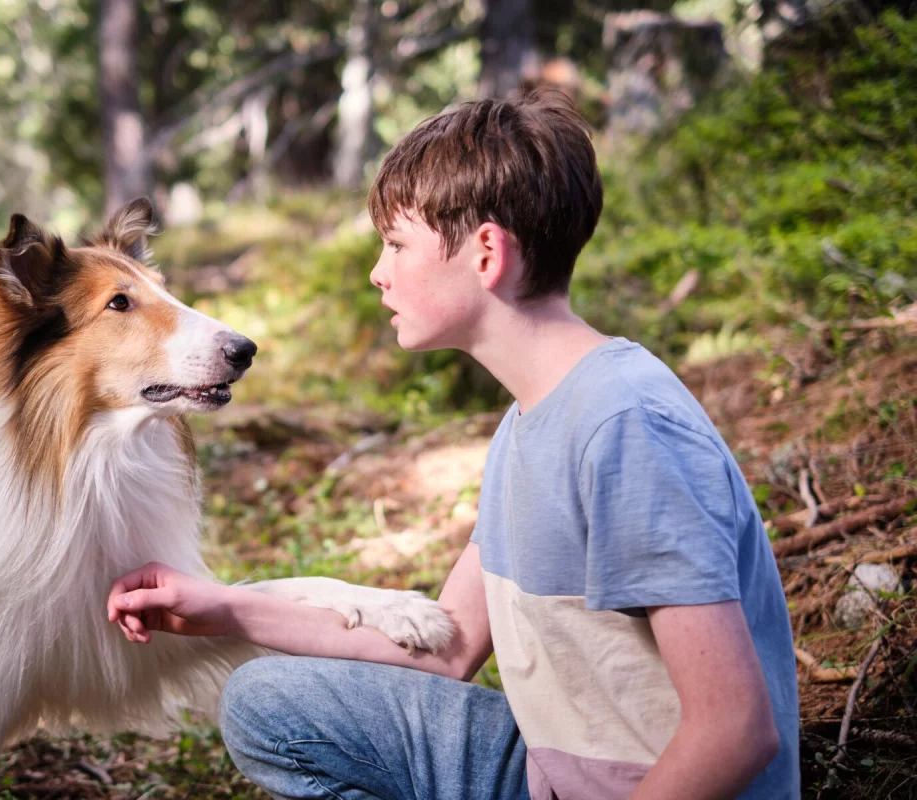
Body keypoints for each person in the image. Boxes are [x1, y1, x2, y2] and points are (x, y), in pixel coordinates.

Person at [106, 89, 800, 800]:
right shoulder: (529, 422)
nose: (378, 271)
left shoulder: (625, 425)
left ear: (487, 253)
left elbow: (734, 731)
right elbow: (451, 647)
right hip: (547, 773)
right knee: (264, 702)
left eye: (397, 244)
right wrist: (225, 608)